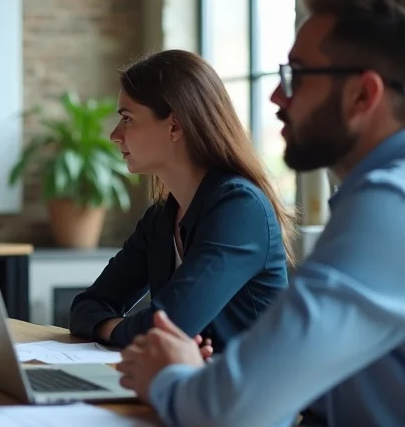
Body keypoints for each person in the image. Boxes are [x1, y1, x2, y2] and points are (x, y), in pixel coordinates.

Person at [116, 0, 405, 427]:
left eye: (296, 75)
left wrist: (171, 375)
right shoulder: (370, 197)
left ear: (363, 95)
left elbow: (229, 412)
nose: (276, 96)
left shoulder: (389, 203)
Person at [68, 49, 295, 354]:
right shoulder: (162, 216)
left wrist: (112, 327)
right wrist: (124, 329)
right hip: (191, 389)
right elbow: (86, 306)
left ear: (174, 125)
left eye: (127, 119)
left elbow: (169, 328)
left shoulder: (241, 208)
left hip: (252, 397)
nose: (114, 134)